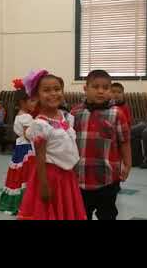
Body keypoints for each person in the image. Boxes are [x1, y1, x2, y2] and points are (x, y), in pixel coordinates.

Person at [17, 70, 86, 220]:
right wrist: (43, 184)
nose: (53, 93)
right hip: (50, 177)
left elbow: (70, 147)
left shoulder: (65, 116)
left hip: (67, 177)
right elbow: (40, 157)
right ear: (36, 96)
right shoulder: (40, 124)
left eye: (57, 89)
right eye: (46, 90)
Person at [71, 70, 131, 220]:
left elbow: (124, 141)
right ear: (85, 89)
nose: (100, 91)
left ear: (110, 90)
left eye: (105, 88)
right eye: (95, 87)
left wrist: (127, 165)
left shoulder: (116, 113)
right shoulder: (75, 112)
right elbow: (68, 142)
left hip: (108, 178)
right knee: (81, 215)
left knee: (108, 215)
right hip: (80, 178)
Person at [0, 80, 38, 215]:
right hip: (27, 149)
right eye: (32, 101)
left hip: (20, 148)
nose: (35, 103)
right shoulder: (26, 117)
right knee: (26, 176)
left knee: (18, 177)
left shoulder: (20, 114)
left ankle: (17, 201)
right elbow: (28, 135)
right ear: (22, 102)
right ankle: (24, 203)